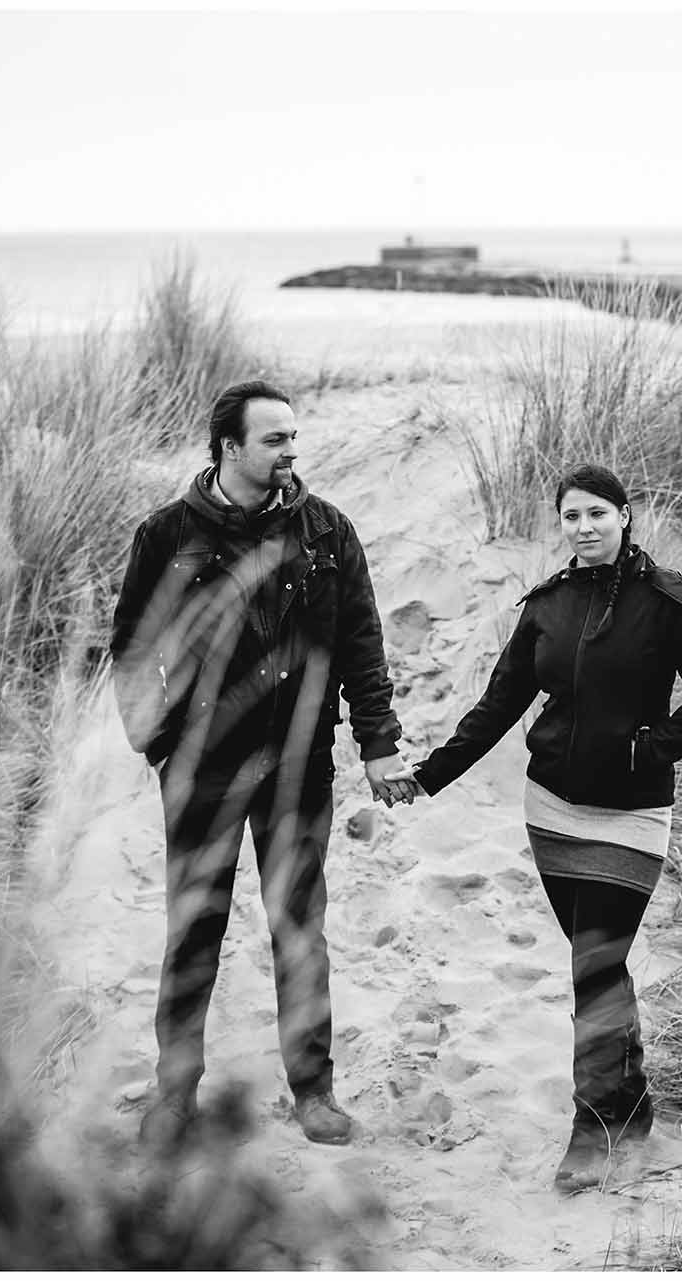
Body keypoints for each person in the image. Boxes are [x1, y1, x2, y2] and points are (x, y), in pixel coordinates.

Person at [390, 463, 682, 1192]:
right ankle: (631, 1107)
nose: (583, 526)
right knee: (597, 962)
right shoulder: (547, 604)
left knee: (596, 966)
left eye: (596, 513)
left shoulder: (669, 603)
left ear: (625, 515)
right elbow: (500, 702)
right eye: (571, 516)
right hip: (551, 808)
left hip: (632, 812)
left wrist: (648, 748)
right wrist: (429, 773)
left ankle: (594, 1127)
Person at [110, 379, 417, 1151]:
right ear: (229, 448)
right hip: (202, 766)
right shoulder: (166, 535)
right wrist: (159, 745)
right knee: (194, 930)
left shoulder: (326, 532)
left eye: (293, 437)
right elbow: (131, 651)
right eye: (275, 439)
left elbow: (362, 646)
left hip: (300, 763)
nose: (291, 450)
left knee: (298, 928)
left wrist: (376, 739)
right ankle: (175, 1093)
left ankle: (313, 1092)